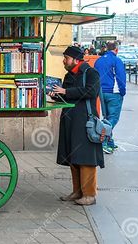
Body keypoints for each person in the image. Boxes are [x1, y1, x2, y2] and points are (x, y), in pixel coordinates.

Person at [48, 46, 103, 206]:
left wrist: (65, 91)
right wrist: (55, 95)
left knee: (86, 158)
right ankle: (77, 191)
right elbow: (66, 95)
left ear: (76, 59)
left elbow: (91, 92)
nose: (64, 60)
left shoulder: (91, 73)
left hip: (85, 121)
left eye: (66, 58)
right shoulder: (68, 75)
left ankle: (90, 195)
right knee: (74, 157)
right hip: (70, 121)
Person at [94, 42, 126, 154]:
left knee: (107, 117)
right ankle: (103, 142)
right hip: (114, 93)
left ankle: (109, 141)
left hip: (101, 92)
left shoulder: (99, 60)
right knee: (113, 118)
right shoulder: (117, 60)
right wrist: (123, 91)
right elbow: (121, 77)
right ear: (116, 49)